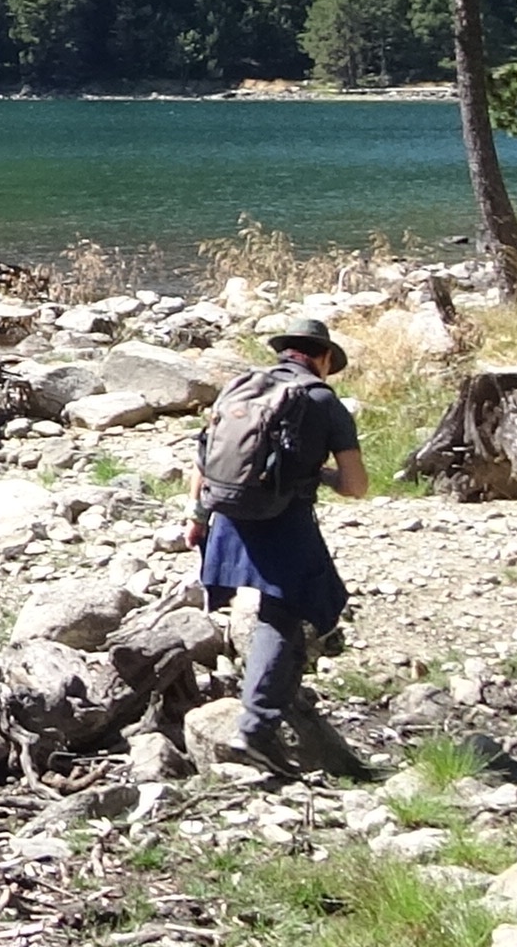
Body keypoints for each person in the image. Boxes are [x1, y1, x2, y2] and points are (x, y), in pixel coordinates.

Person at [190, 314, 366, 777]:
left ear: (285, 351)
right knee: (291, 610)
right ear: (323, 358)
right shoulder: (323, 400)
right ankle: (257, 726)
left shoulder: (241, 388)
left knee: (294, 609)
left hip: (226, 514)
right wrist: (316, 473)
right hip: (283, 518)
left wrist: (197, 517)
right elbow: (355, 486)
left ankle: (275, 696)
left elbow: (205, 458)